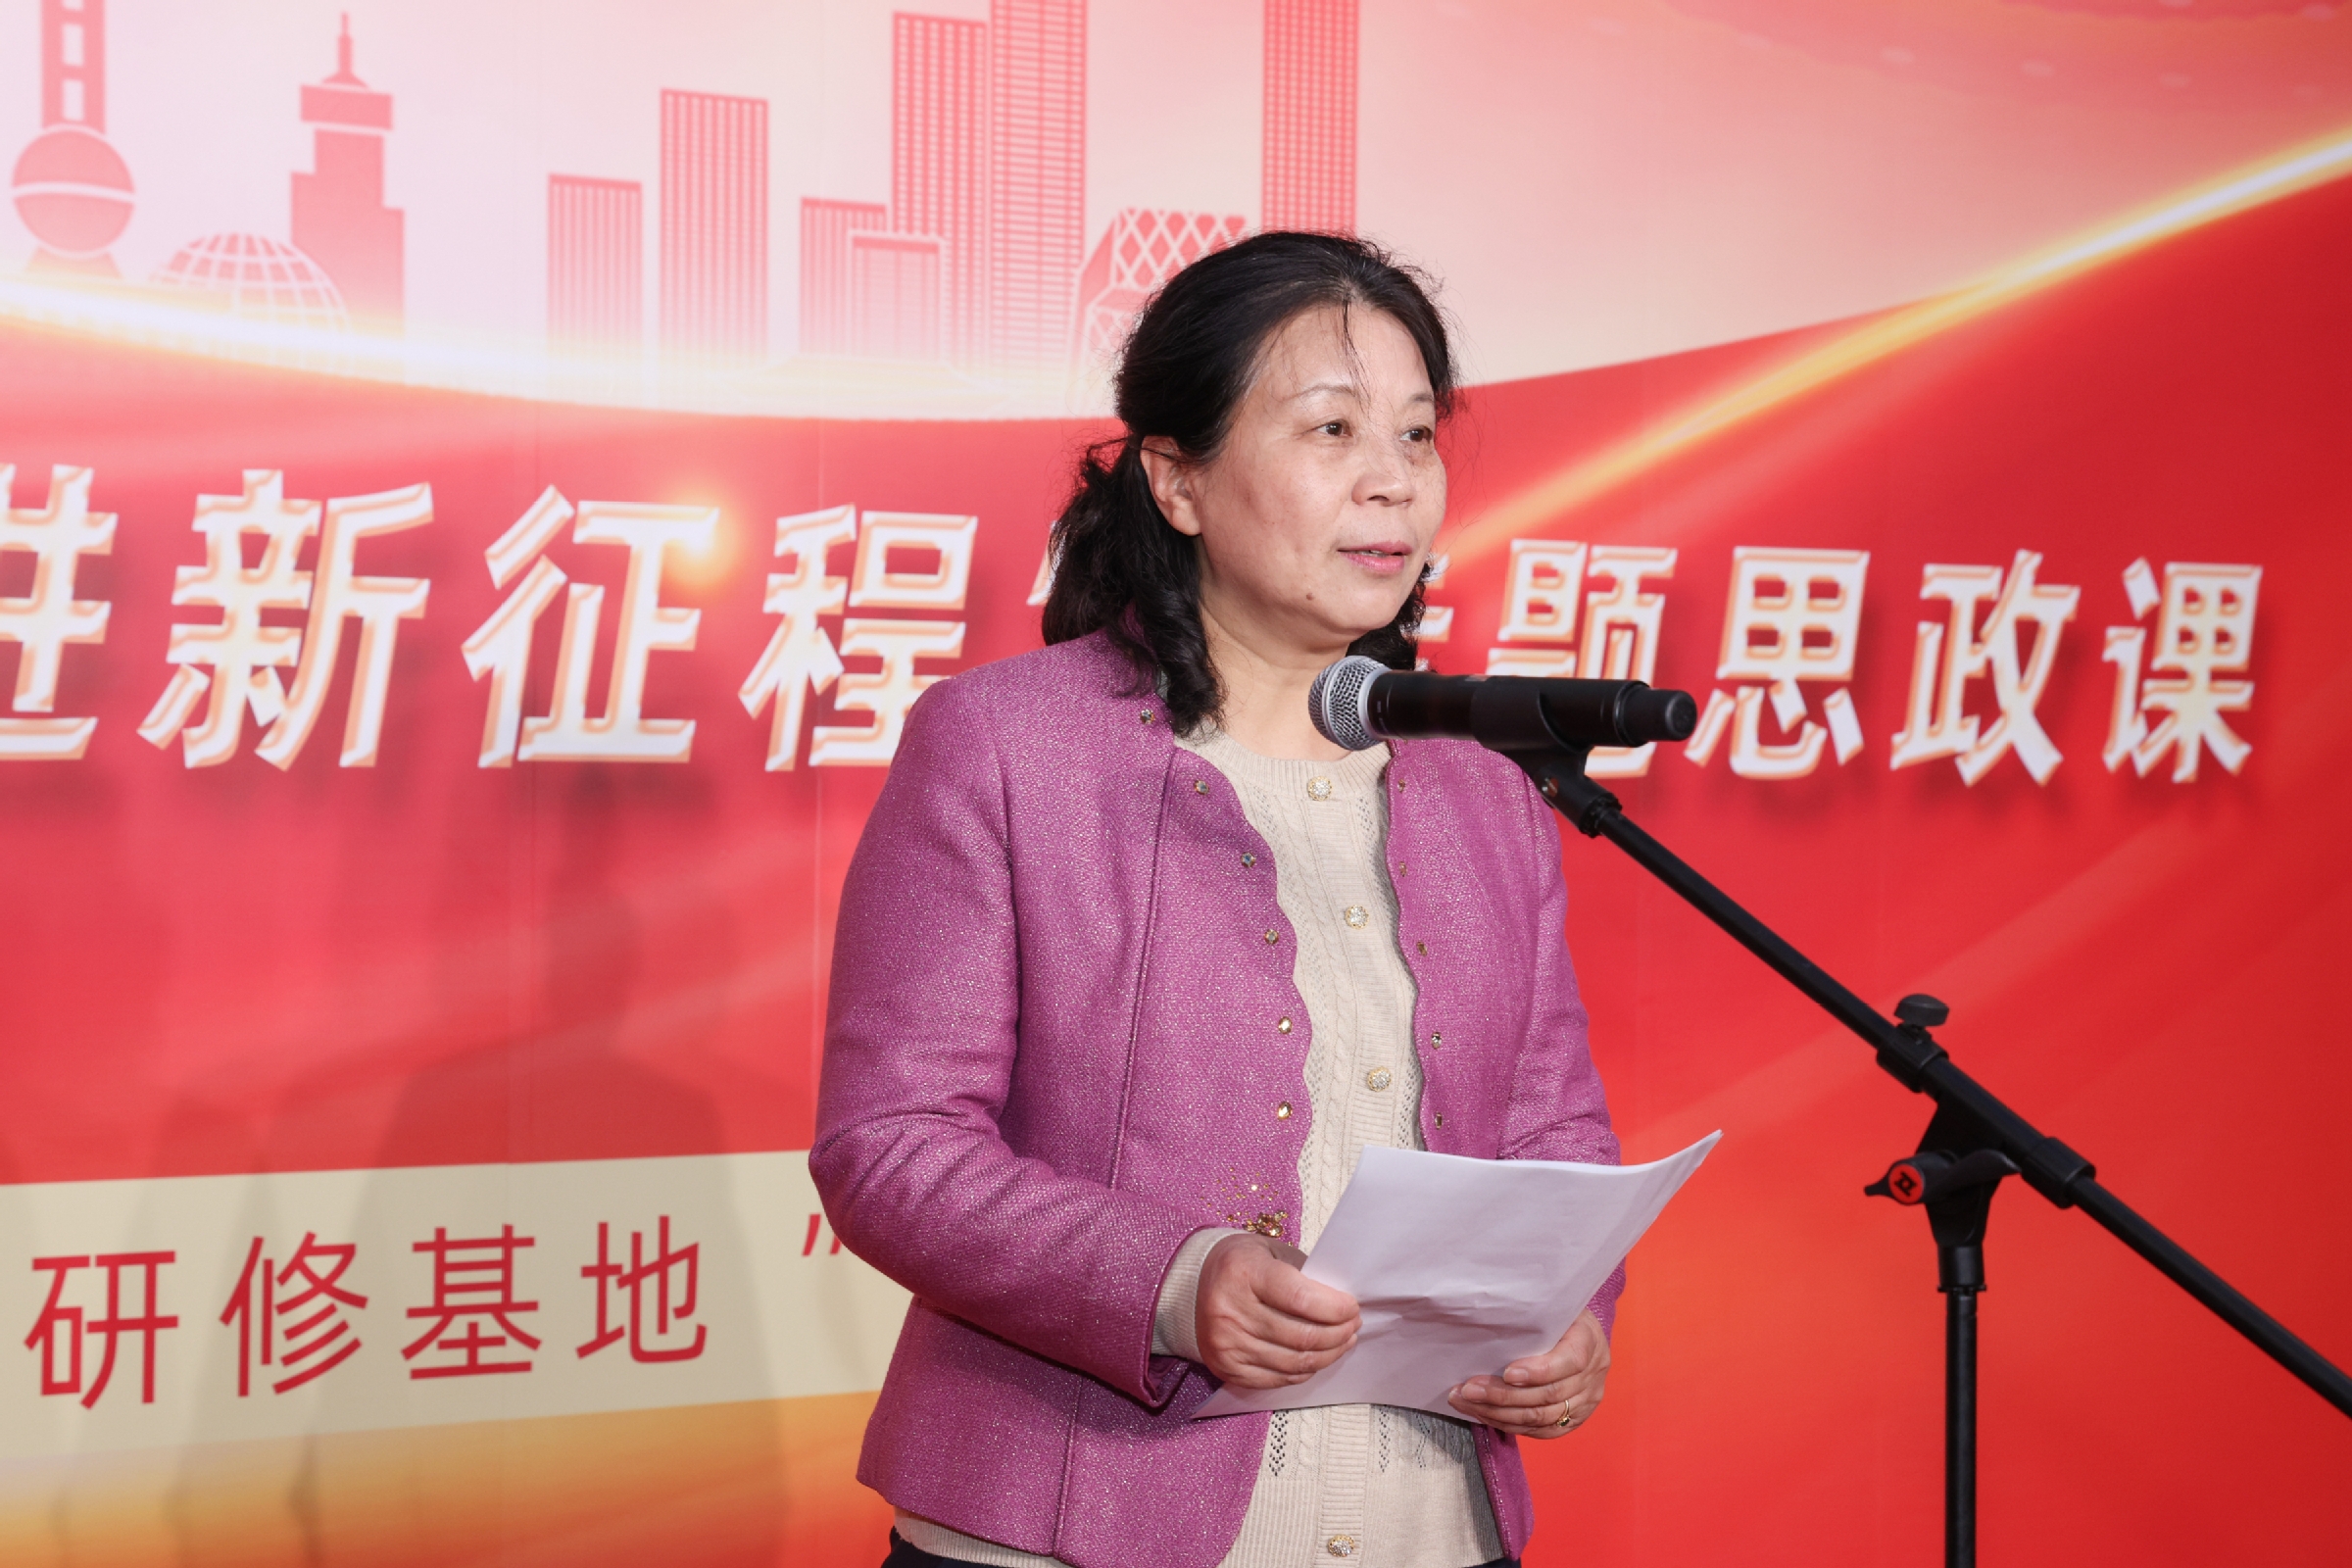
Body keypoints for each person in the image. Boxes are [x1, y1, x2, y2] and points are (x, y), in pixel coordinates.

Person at [812, 232, 1623, 1568]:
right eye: (1332, 428)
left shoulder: (1484, 782)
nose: (1392, 479)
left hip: (1431, 1525)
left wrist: (1568, 1315)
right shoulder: (1006, 747)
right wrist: (1173, 1284)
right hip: (1064, 1526)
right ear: (1176, 478)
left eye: (1417, 434)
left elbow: (1554, 1134)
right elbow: (892, 1146)